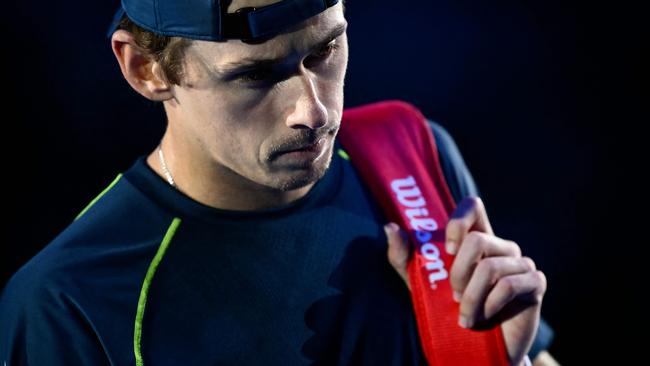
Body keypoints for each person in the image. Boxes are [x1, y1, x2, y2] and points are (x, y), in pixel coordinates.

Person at [0, 0, 558, 364]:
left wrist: (505, 359)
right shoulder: (67, 300)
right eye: (255, 74)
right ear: (146, 69)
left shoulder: (409, 152)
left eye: (325, 51)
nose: (311, 111)